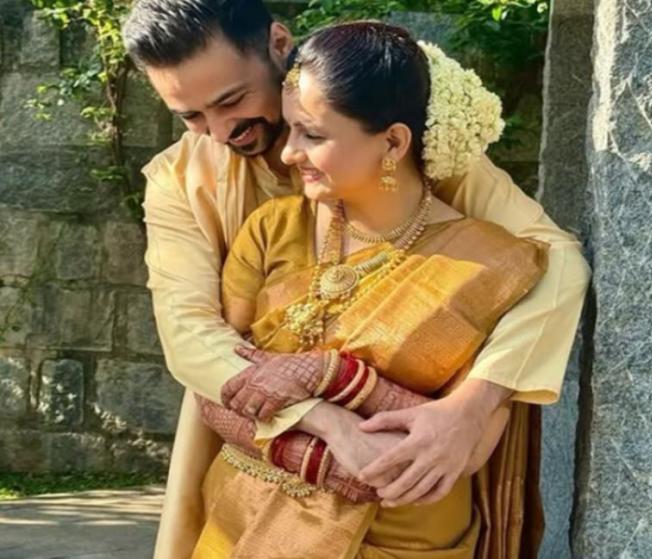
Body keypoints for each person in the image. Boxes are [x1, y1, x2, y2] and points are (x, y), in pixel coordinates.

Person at [121, 1, 590, 556]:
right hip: (254, 433)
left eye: (231, 100)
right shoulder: (182, 181)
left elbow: (554, 261)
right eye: (191, 117)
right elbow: (189, 334)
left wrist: (472, 407)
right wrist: (328, 426)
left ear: (278, 45)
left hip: (414, 486)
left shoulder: (377, 104)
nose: (221, 131)